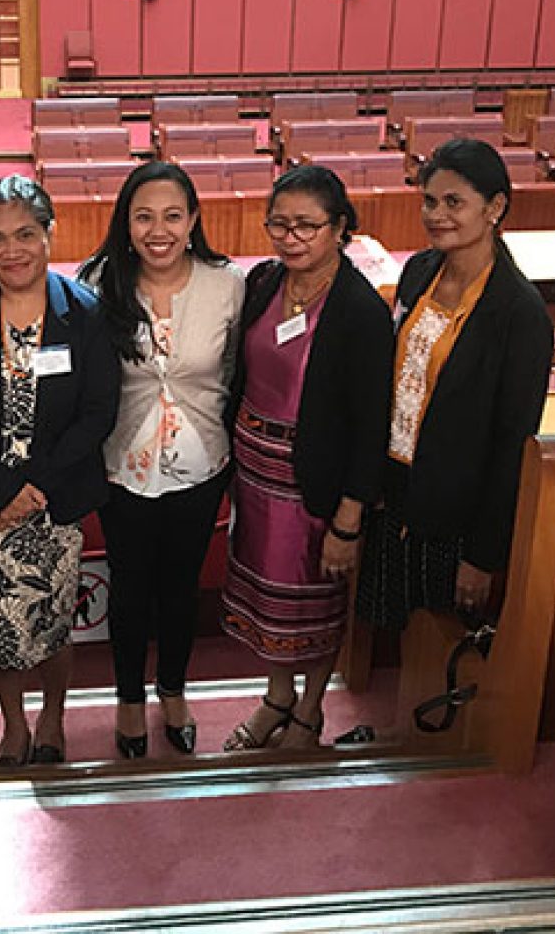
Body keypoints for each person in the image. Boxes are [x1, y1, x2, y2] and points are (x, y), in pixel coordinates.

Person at [0, 175, 119, 767]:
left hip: (52, 502)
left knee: (53, 624)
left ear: (49, 234)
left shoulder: (83, 312)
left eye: (26, 234)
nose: (13, 250)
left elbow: (97, 411)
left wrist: (32, 490)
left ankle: (53, 717)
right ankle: (13, 726)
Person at [220, 166, 393, 751]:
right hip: (255, 475)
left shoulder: (360, 311)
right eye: (279, 224)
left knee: (314, 604)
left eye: (307, 227)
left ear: (340, 228)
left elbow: (372, 426)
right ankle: (277, 697)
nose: (291, 238)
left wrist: (349, 519)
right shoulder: (265, 281)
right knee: (268, 603)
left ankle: (310, 712)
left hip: (314, 487)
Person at [78, 161, 245, 758]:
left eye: (173, 216)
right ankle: (127, 697)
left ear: (194, 221)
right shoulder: (98, 282)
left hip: (201, 463)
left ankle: (172, 689)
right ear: (125, 224)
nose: (159, 229)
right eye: (143, 216)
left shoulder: (227, 283)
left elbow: (232, 374)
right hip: (122, 464)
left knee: (180, 587)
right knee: (128, 587)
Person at [356, 138, 554, 631]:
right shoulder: (418, 271)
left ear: (495, 208)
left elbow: (513, 444)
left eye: (453, 202)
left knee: (441, 641)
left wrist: (484, 555)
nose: (436, 215)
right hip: (395, 489)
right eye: (429, 201)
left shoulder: (519, 313)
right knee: (393, 627)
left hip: (456, 510)